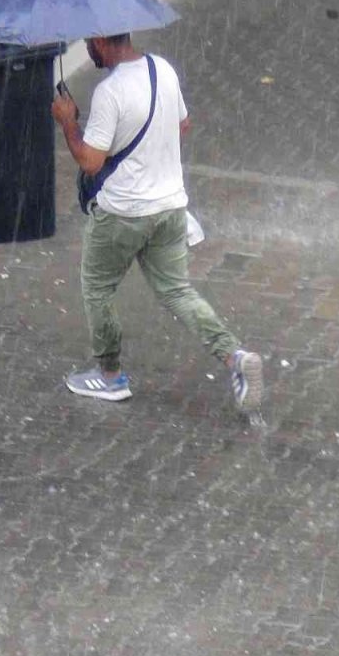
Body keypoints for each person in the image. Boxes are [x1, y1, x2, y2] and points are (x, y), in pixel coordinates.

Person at [50, 32, 264, 410]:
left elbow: (90, 162)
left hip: (122, 213)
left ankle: (110, 377)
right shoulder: (162, 69)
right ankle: (234, 358)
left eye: (88, 42)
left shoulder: (109, 92)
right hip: (170, 207)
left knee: (97, 288)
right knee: (178, 291)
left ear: (101, 40)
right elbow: (182, 125)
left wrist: (68, 123)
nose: (87, 49)